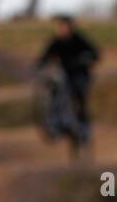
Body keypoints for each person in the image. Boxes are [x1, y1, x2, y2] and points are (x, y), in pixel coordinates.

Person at [35, 15, 100, 145]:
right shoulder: (56, 41)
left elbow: (95, 54)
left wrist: (84, 61)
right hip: (63, 76)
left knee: (79, 98)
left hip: (79, 75)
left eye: (64, 26)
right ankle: (55, 124)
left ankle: (84, 130)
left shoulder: (79, 40)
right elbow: (45, 56)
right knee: (53, 94)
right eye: (60, 26)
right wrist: (40, 64)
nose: (62, 29)